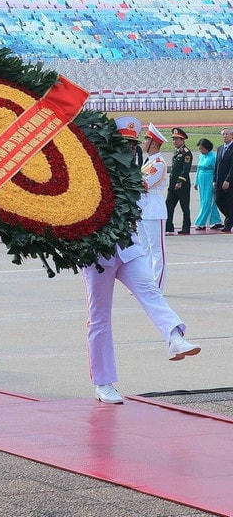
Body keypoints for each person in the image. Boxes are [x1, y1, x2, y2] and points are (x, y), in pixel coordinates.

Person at [85, 115, 201, 404]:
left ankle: (174, 337)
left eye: (132, 144)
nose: (129, 148)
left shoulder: (135, 170)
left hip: (129, 246)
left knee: (150, 291)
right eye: (124, 143)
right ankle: (103, 382)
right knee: (99, 318)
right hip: (98, 253)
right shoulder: (94, 169)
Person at [138, 124, 168, 289]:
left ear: (154, 143)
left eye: (147, 139)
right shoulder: (149, 161)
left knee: (157, 251)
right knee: (145, 249)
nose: (144, 142)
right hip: (143, 207)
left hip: (154, 208)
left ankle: (157, 286)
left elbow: (144, 184)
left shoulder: (159, 163)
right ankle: (147, 283)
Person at [165, 127, 193, 235]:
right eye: (173, 139)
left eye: (177, 139)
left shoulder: (187, 153)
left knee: (184, 207)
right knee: (168, 205)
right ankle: (168, 226)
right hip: (173, 185)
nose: (174, 141)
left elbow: (185, 169)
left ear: (182, 140)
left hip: (182, 185)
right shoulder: (176, 151)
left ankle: (186, 227)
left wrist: (180, 181)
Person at [193, 138, 222, 231]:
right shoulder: (201, 156)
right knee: (204, 201)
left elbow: (216, 170)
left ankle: (201, 222)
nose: (200, 150)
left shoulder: (213, 157)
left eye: (201, 148)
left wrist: (215, 182)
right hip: (202, 181)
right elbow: (198, 169)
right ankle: (216, 221)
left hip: (209, 180)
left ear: (207, 148)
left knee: (207, 201)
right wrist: (196, 182)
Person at [214, 127, 233, 232]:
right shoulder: (220, 148)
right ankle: (231, 217)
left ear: (231, 136)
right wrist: (214, 179)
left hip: (229, 181)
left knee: (229, 202)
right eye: (223, 134)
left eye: (227, 134)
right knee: (218, 200)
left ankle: (228, 224)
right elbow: (217, 165)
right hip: (219, 181)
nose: (225, 136)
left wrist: (228, 180)